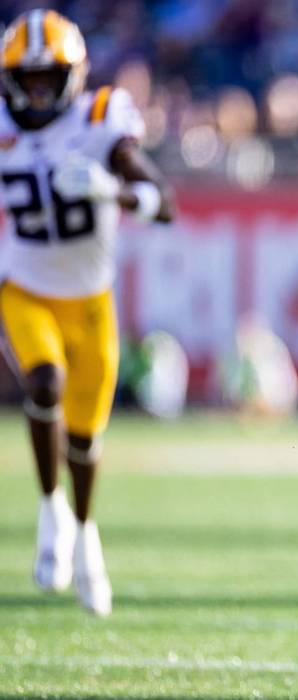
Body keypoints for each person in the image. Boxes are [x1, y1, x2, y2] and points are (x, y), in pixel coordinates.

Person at [0, 9, 174, 617]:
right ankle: (50, 510)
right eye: (28, 78)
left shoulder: (100, 118)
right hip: (23, 289)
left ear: (72, 76)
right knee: (44, 381)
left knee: (84, 437)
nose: (38, 91)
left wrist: (110, 189)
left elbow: (164, 203)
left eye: (48, 77)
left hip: (91, 300)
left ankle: (83, 530)